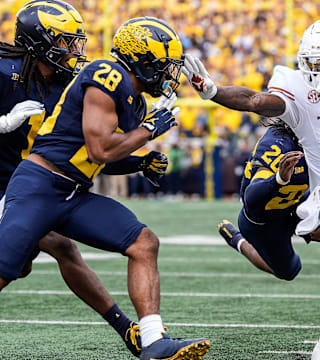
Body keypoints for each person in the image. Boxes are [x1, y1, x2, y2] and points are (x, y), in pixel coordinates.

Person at [0, 15, 211, 360]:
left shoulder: (135, 99)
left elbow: (95, 157)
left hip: (71, 193)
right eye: (162, 66)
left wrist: (140, 161)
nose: (166, 75)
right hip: (39, 186)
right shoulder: (106, 75)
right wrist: (147, 132)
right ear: (142, 60)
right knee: (6, 270)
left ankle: (154, 342)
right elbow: (99, 148)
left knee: (144, 243)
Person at [182, 17, 320, 360]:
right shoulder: (296, 98)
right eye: (313, 63)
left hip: (308, 201)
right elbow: (256, 101)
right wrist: (213, 91)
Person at [217, 119, 320, 280]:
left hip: (298, 203)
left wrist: (316, 213)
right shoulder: (276, 145)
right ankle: (238, 240)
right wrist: (279, 179)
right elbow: (251, 197)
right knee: (289, 271)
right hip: (263, 222)